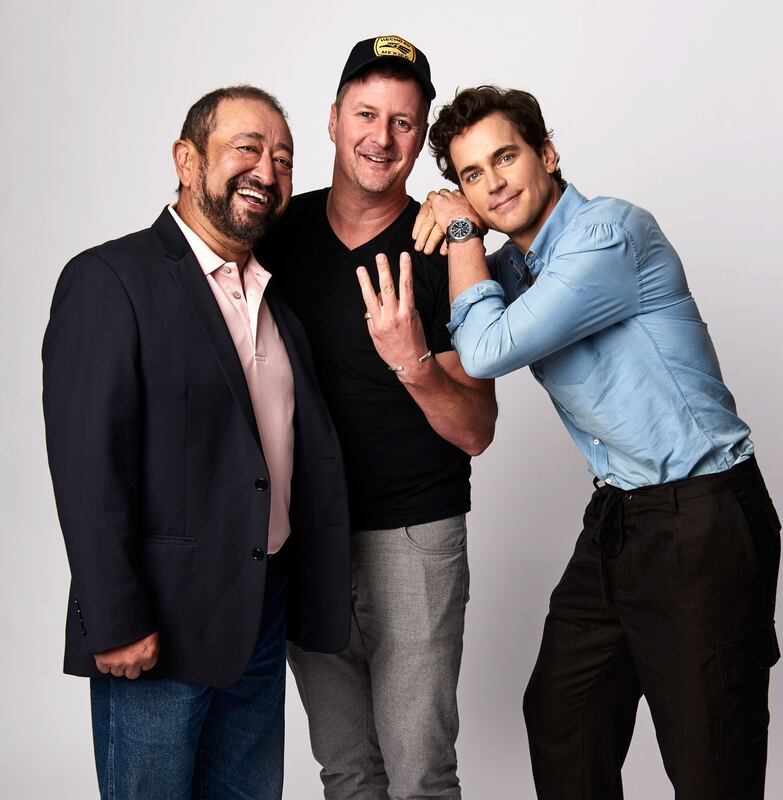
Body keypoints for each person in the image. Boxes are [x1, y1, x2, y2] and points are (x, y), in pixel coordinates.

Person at [414, 85, 782, 799]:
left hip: (701, 517)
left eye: (506, 157)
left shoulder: (606, 236)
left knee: (711, 760)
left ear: (547, 154)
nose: (492, 184)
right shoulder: (517, 271)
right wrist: (442, 225)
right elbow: (459, 321)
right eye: (469, 176)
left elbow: (485, 347)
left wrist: (461, 232)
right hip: (620, 515)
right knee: (564, 716)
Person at [42, 85, 351, 800]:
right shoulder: (110, 280)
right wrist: (113, 619)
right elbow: (89, 467)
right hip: (159, 625)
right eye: (248, 148)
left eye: (283, 157)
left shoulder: (274, 301)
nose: (268, 171)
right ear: (187, 159)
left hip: (259, 616)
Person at [257, 36, 497, 800]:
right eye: (366, 113)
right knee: (348, 771)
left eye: (403, 122)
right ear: (331, 120)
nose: (380, 137)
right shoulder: (274, 234)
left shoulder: (446, 246)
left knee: (420, 773)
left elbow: (476, 430)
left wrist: (411, 359)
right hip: (305, 536)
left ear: (421, 139)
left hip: (414, 537)